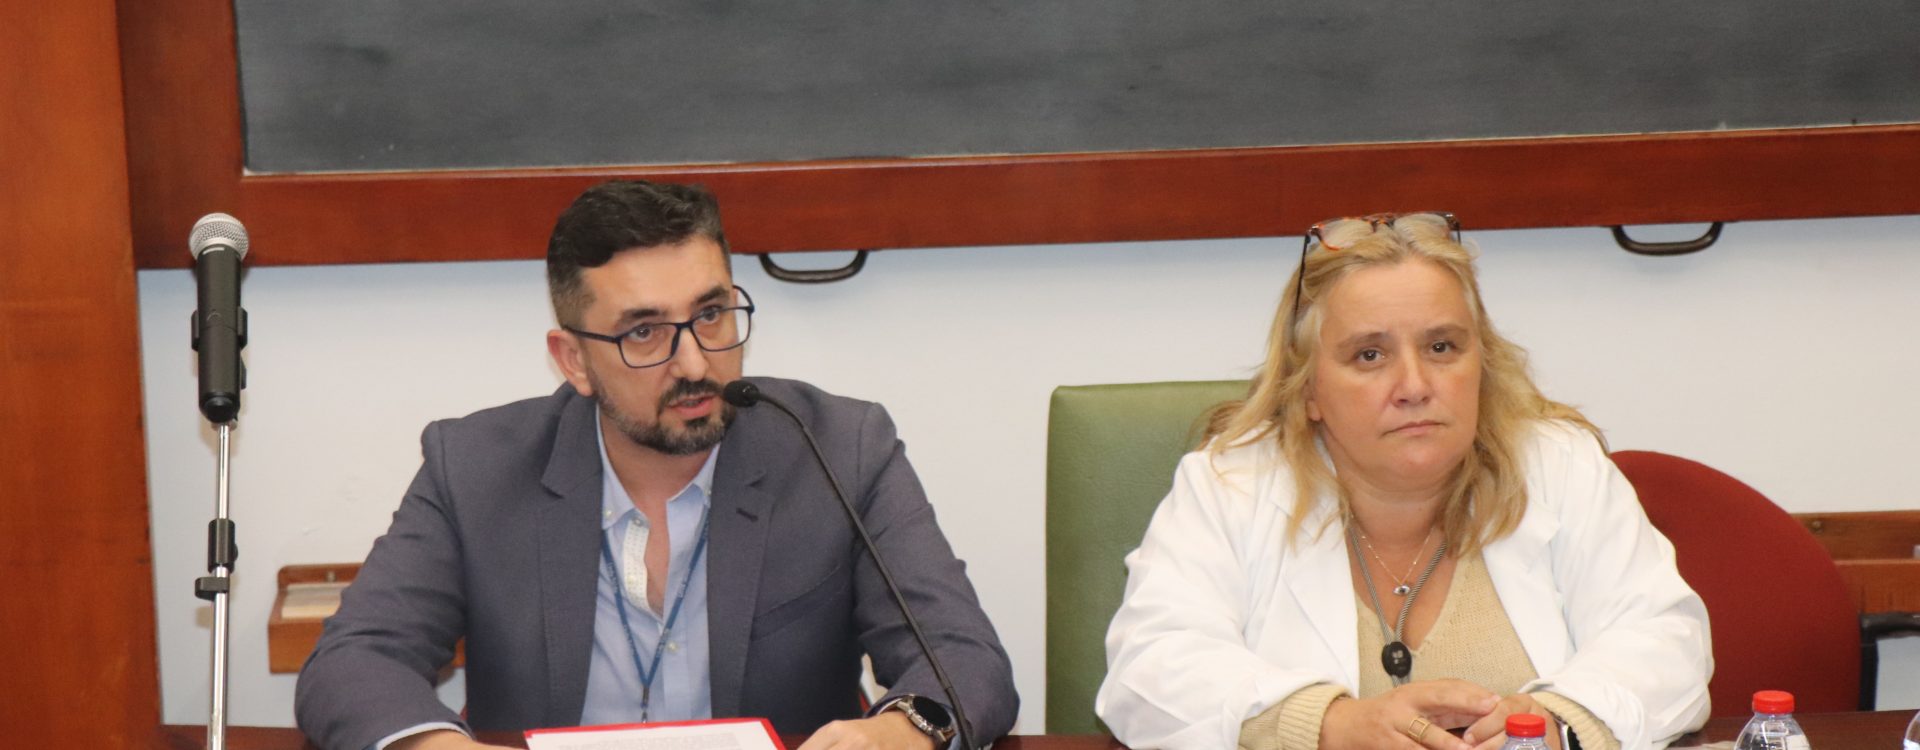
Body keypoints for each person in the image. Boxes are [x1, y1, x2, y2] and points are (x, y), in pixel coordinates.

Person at [296, 180, 1018, 750]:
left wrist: (901, 731)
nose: (695, 363)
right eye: (644, 332)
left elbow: (962, 655)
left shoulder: (839, 448)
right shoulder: (476, 467)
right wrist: (439, 747)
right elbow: (353, 662)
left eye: (711, 314)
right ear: (573, 360)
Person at [1095, 214, 1711, 750]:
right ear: (1308, 390)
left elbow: (1666, 641)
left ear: (1482, 365)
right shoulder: (1232, 485)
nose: (1415, 385)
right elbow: (1148, 670)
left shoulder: (1557, 464)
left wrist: (1560, 723)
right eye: (1370, 355)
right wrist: (1328, 725)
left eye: (1442, 347)